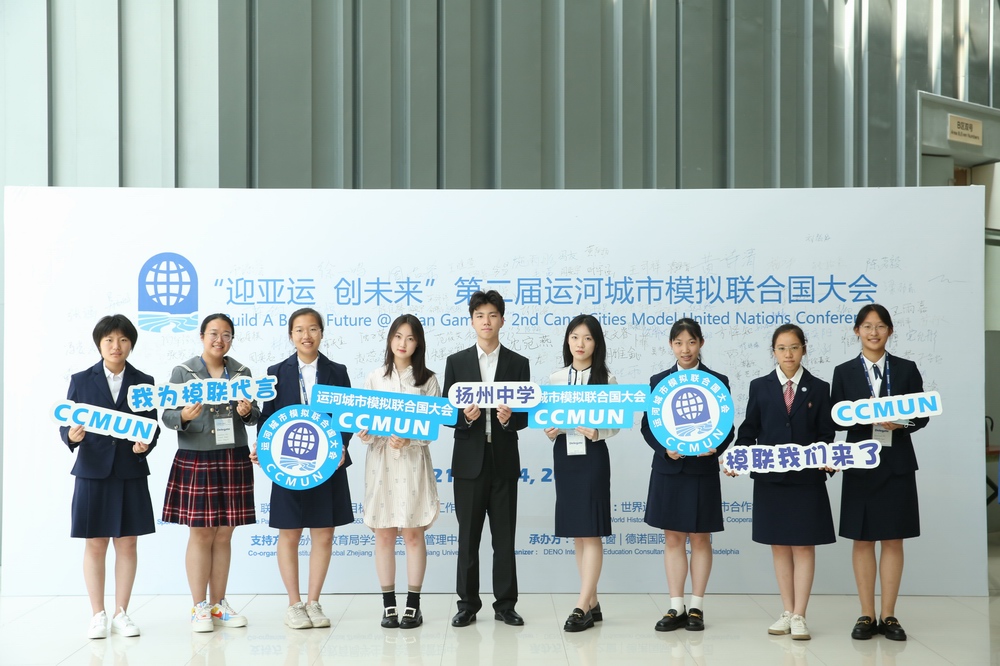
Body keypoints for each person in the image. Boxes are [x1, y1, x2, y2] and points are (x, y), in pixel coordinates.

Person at [831, 304, 929, 642]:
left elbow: (922, 414)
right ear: (856, 331)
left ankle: (888, 614)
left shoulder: (906, 369)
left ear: (890, 331)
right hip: (860, 463)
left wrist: (902, 422)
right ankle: (866, 614)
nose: (874, 332)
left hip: (896, 462)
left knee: (893, 538)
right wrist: (862, 420)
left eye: (881, 326)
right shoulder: (843, 372)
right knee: (862, 538)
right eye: (867, 326)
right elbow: (835, 417)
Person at [733, 324, 835, 641]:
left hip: (806, 480)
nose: (788, 354)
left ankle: (801, 614)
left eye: (794, 347)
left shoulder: (819, 388)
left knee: (803, 546)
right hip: (771, 479)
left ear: (804, 348)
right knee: (778, 545)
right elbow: (749, 430)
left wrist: (827, 458)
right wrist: (738, 457)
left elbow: (826, 434)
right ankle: (787, 611)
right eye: (781, 348)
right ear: (773, 351)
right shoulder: (760, 386)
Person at [60, 315, 159, 639]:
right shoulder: (81, 379)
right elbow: (66, 422)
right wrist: (71, 436)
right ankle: (97, 614)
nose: (116, 346)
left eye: (123, 340)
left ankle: (121, 613)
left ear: (131, 344)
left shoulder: (144, 381)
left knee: (128, 542)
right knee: (95, 542)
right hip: (92, 471)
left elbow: (152, 425)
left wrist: (146, 445)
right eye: (109, 340)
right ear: (99, 344)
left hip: (130, 470)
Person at [255, 308, 354, 630]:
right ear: (291, 335)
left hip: (327, 463)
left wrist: (342, 445)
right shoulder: (275, 372)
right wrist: (263, 447)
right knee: (290, 532)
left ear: (321, 333)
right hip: (288, 464)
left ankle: (314, 602)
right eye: (299, 330)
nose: (306, 335)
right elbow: (266, 417)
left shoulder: (337, 371)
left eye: (312, 329)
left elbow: (347, 416)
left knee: (323, 533)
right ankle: (294, 604)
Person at [161, 313, 259, 632]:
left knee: (225, 532)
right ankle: (199, 606)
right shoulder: (184, 371)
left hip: (233, 456)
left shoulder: (242, 372)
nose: (220, 340)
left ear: (232, 339)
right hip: (197, 457)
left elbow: (255, 413)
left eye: (226, 334)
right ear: (202, 336)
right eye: (213, 333)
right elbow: (167, 415)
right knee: (201, 532)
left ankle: (219, 604)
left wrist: (247, 412)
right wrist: (184, 417)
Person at [442, 290, 530, 628]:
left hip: (503, 460)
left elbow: (525, 415)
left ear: (502, 320)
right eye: (480, 316)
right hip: (469, 462)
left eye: (493, 315)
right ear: (472, 321)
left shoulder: (518, 363)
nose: (486, 321)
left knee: (504, 539)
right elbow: (448, 412)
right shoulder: (457, 362)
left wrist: (509, 419)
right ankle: (467, 604)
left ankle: (506, 605)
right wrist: (464, 417)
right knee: (468, 538)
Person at [639, 318, 733, 633]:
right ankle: (675, 605)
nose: (685, 349)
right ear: (671, 345)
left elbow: (728, 428)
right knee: (673, 538)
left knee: (701, 537)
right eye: (679, 342)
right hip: (669, 469)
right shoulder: (659, 381)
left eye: (691, 342)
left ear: (701, 343)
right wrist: (664, 449)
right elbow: (647, 426)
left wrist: (716, 448)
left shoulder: (717, 381)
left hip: (702, 470)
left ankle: (696, 606)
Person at [357, 314, 441, 630]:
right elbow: (364, 423)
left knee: (413, 533)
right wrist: (365, 433)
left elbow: (432, 428)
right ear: (390, 339)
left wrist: (410, 438)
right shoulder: (375, 377)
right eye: (397, 336)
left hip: (412, 462)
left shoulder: (428, 380)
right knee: (384, 534)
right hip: (381, 463)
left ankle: (413, 606)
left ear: (418, 343)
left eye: (410, 338)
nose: (402, 343)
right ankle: (389, 605)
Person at [542, 315, 619, 632]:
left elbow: (616, 423)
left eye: (587, 338)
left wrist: (598, 431)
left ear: (596, 343)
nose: (580, 344)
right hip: (565, 456)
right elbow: (548, 419)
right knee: (578, 531)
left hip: (593, 456)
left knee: (591, 531)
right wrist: (549, 430)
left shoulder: (607, 379)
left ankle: (581, 605)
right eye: (574, 337)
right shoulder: (556, 378)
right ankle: (593, 601)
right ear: (567, 341)